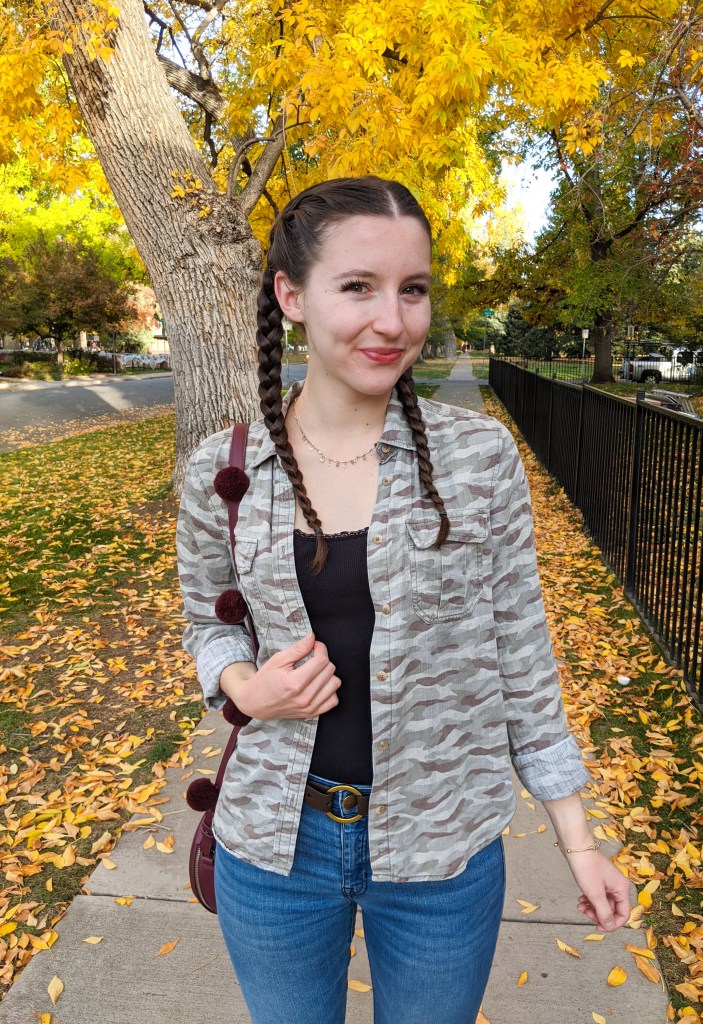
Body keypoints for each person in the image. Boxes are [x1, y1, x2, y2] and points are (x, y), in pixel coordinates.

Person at [176, 176, 631, 1024]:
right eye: (359, 287)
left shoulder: (476, 459)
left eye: (412, 290)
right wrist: (244, 688)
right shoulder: (223, 471)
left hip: (442, 851)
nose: (394, 320)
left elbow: (521, 655)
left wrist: (579, 840)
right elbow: (209, 619)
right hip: (276, 848)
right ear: (293, 296)